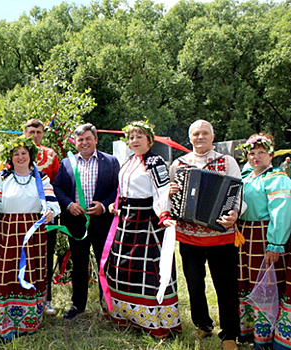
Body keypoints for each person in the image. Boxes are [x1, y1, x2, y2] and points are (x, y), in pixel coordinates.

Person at [103, 121, 182, 338]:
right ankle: (125, 314)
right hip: (125, 219)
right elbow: (124, 189)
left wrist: (164, 215)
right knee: (121, 265)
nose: (135, 141)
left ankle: (153, 321)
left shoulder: (155, 162)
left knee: (147, 270)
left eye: (139, 136)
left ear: (149, 139)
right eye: (131, 137)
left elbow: (161, 190)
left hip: (146, 219)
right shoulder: (128, 161)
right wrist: (116, 204)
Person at [0, 136, 60, 340]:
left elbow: (52, 203)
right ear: (10, 158)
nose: (20, 157)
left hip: (34, 234)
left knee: (30, 272)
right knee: (9, 272)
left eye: (24, 153)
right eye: (16, 154)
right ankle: (5, 319)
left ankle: (29, 319)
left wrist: (50, 212)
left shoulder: (42, 179)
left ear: (31, 156)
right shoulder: (2, 178)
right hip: (8, 233)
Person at [170, 120, 241, 350]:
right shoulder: (179, 164)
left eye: (204, 133)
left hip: (221, 236)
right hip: (189, 236)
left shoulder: (227, 162)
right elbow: (170, 200)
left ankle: (230, 333)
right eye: (195, 134)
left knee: (226, 285)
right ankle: (203, 324)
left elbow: (237, 193)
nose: (200, 137)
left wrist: (235, 214)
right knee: (193, 283)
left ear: (213, 136)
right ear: (190, 137)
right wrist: (170, 194)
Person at [53, 123, 120, 320]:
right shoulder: (67, 163)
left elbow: (118, 188)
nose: (84, 143)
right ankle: (78, 304)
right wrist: (68, 205)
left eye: (88, 139)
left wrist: (105, 205)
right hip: (77, 223)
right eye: (80, 139)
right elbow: (57, 188)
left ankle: (107, 304)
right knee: (79, 264)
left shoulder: (111, 161)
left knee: (105, 263)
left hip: (102, 221)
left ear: (96, 140)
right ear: (76, 142)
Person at [236, 133, 291, 349]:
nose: (256, 157)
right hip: (245, 237)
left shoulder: (276, 178)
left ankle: (268, 337)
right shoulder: (246, 176)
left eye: (261, 152)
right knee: (249, 282)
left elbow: (281, 211)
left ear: (271, 154)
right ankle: (249, 331)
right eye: (251, 153)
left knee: (266, 283)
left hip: (264, 235)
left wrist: (275, 243)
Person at [23, 118, 60, 315]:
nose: (35, 136)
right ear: (24, 132)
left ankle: (46, 299)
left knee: (45, 254)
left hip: (45, 215)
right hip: (19, 214)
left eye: (39, 132)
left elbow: (57, 183)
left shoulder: (50, 154)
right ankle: (20, 296)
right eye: (31, 131)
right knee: (20, 254)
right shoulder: (14, 152)